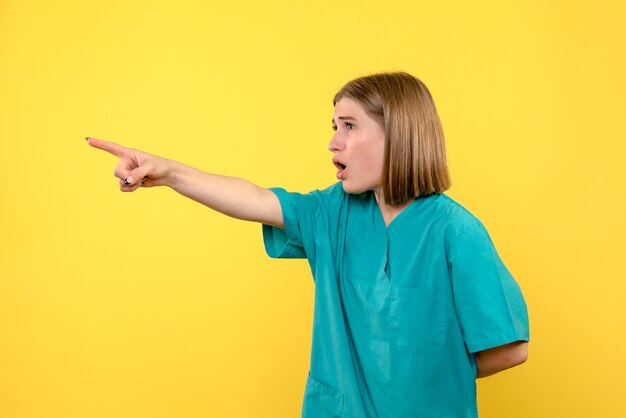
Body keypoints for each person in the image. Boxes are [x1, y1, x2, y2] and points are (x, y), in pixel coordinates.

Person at [87, 71, 529, 418]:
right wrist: (169, 173)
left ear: (400, 133)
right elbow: (256, 199)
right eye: (334, 126)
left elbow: (510, 348)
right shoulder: (332, 212)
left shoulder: (455, 231)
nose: (333, 142)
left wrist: (415, 373)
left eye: (350, 126)